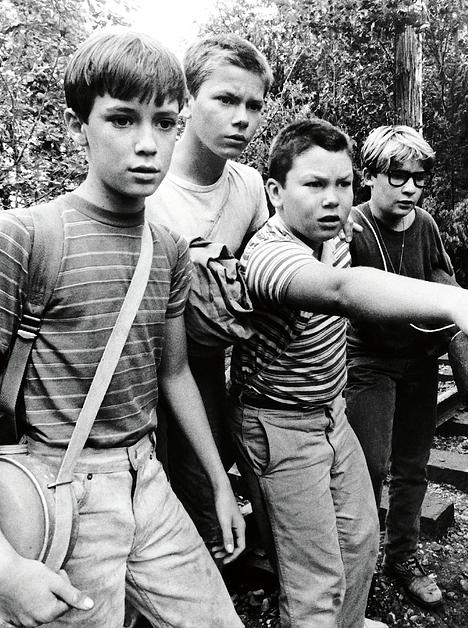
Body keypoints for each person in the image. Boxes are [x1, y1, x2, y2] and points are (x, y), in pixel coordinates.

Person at [0, 29, 245, 628]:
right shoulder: (29, 236)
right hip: (59, 489)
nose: (148, 144)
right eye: (122, 120)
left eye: (166, 122)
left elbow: (175, 373)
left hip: (148, 480)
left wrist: (217, 482)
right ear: (82, 127)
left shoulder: (169, 249)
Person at [229, 118, 468, 627]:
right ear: (276, 192)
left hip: (330, 412)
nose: (332, 198)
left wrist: (455, 301)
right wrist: (461, 302)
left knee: (362, 541)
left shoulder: (338, 234)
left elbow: (421, 266)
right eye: (315, 184)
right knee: (315, 579)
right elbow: (344, 290)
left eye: (340, 184)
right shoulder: (270, 255)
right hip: (282, 422)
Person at [145, 34, 273, 559]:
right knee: (159, 496)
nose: (241, 118)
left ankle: (215, 569)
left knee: (210, 477)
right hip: (142, 369)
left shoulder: (249, 186)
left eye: (253, 105)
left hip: (208, 364)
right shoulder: (150, 185)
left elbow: (269, 272)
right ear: (188, 101)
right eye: (225, 99)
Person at [345, 125, 457, 609]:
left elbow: (445, 280)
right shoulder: (351, 225)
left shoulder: (426, 225)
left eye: (419, 177)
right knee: (368, 467)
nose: (410, 187)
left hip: (420, 361)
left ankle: (402, 557)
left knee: (412, 466)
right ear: (371, 176)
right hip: (369, 361)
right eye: (398, 175)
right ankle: (357, 568)